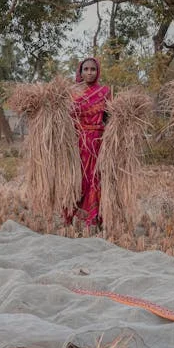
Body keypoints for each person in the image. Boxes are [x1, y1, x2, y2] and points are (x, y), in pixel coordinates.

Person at [64, 57, 111, 229]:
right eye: (86, 69)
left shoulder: (105, 92)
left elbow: (109, 117)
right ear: (80, 71)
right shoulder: (72, 93)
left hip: (98, 142)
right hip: (77, 142)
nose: (89, 72)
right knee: (76, 179)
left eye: (93, 69)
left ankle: (94, 219)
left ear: (98, 71)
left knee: (96, 178)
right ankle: (70, 218)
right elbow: (65, 118)